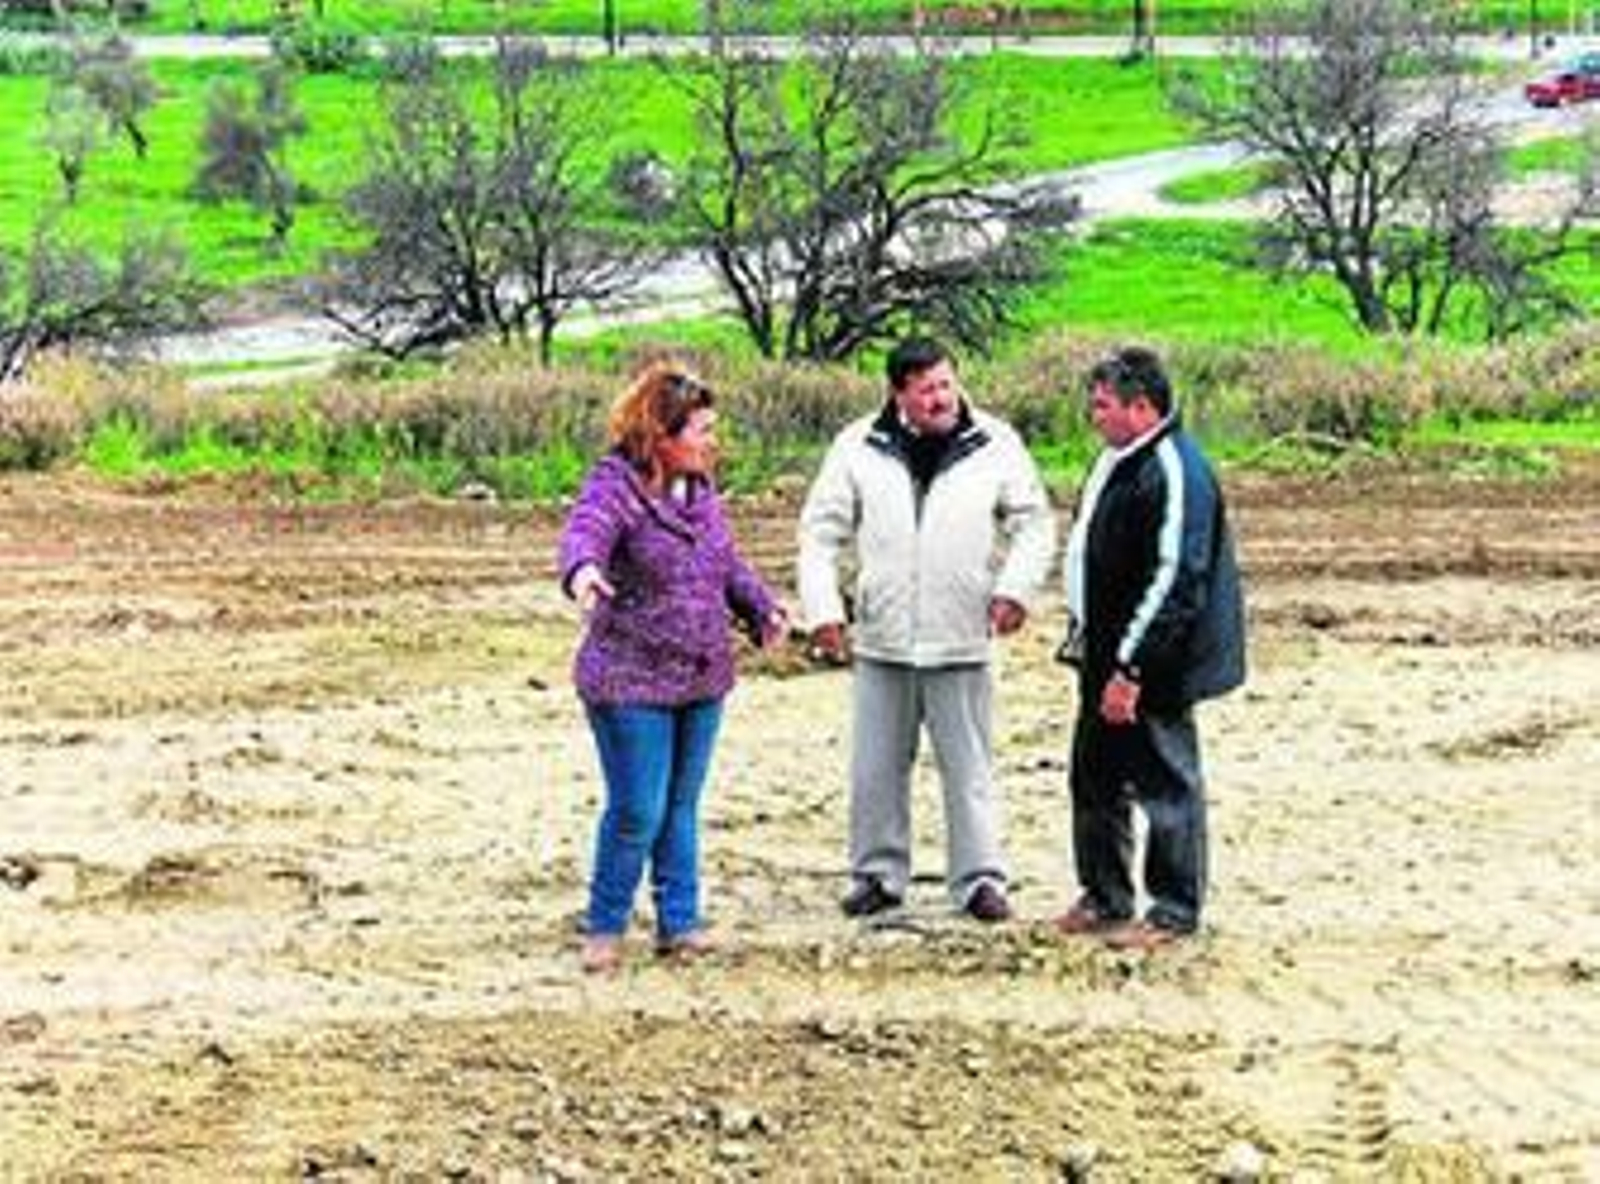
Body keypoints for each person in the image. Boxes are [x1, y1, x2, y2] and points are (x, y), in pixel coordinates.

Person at [797, 336, 1056, 923]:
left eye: (945, 385)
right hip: (882, 637)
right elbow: (820, 532)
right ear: (898, 395)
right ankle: (877, 875)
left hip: (962, 633)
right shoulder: (856, 445)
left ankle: (980, 879)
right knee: (875, 768)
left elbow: (1033, 524)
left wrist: (1015, 589)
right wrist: (824, 611)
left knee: (970, 768)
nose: (940, 399)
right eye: (925, 390)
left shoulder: (996, 442)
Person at [559, 362, 787, 974]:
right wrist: (583, 573)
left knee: (681, 806)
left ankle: (679, 923)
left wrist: (761, 607)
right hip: (628, 678)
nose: (713, 441)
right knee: (638, 808)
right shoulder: (617, 484)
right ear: (660, 435)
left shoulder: (701, 492)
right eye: (701, 430)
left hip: (701, 675)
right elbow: (585, 532)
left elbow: (724, 563)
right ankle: (605, 926)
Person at [1055, 345, 1246, 951]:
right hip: (1103, 649)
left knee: (1165, 781)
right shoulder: (1117, 459)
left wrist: (1132, 668)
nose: (1093, 416)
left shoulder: (1175, 469)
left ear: (1141, 407)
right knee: (1095, 776)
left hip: (1153, 661)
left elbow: (1176, 579)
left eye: (1102, 405)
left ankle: (1174, 910)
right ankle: (1105, 894)